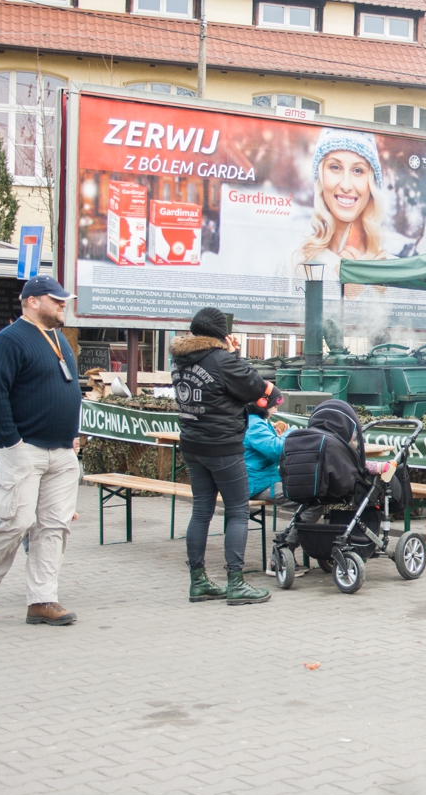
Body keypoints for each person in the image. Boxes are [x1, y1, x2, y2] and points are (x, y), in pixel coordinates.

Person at [0, 276, 82, 626]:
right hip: (24, 448)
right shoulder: (8, 341)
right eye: (55, 300)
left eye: (63, 300)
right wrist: (11, 442)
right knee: (15, 521)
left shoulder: (59, 339)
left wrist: (71, 434)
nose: (62, 305)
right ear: (31, 302)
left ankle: (42, 599)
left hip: (61, 452)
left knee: (54, 527)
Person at [171, 307, 276, 606]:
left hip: (192, 445)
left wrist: (230, 358)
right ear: (221, 335)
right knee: (238, 511)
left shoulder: (178, 360)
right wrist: (234, 356)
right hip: (224, 448)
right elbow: (262, 391)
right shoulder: (223, 361)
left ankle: (198, 581)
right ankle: (236, 583)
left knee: (201, 512)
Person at [296, 127, 388, 275]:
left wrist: (354, 293)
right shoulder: (295, 263)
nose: (346, 185)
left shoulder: (391, 270)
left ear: (372, 184)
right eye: (335, 167)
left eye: (358, 170)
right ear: (321, 177)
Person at [245, 397, 291, 503]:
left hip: (259, 480)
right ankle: (299, 520)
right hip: (258, 483)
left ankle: (299, 520)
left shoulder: (251, 421)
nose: (275, 411)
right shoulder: (255, 425)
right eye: (274, 406)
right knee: (310, 500)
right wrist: (290, 433)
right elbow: (278, 451)